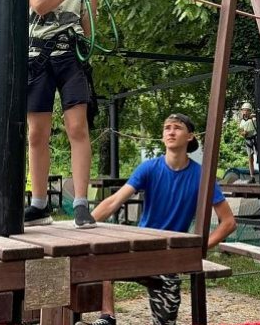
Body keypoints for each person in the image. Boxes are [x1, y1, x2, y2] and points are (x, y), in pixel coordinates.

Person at [81, 113, 237, 325]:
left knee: (166, 321)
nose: (171, 132)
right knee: (102, 257)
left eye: (177, 128)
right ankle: (108, 317)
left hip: (169, 256)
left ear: (190, 136)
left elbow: (228, 222)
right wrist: (82, 225)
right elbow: (115, 201)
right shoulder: (149, 168)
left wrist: (198, 250)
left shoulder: (201, 175)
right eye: (167, 128)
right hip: (140, 248)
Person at [25, 0, 105, 229]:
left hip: (70, 56)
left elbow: (89, 31)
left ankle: (82, 204)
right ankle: (39, 204)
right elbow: (40, 6)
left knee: (77, 127)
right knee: (37, 133)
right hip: (38, 56)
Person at [237, 102, 257, 183]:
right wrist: (243, 133)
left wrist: (253, 116)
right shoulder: (241, 122)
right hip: (248, 140)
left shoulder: (254, 119)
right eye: (243, 110)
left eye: (246, 110)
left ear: (249, 111)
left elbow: (258, 117)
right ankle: (252, 176)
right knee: (250, 158)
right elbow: (240, 131)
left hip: (255, 139)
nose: (245, 112)